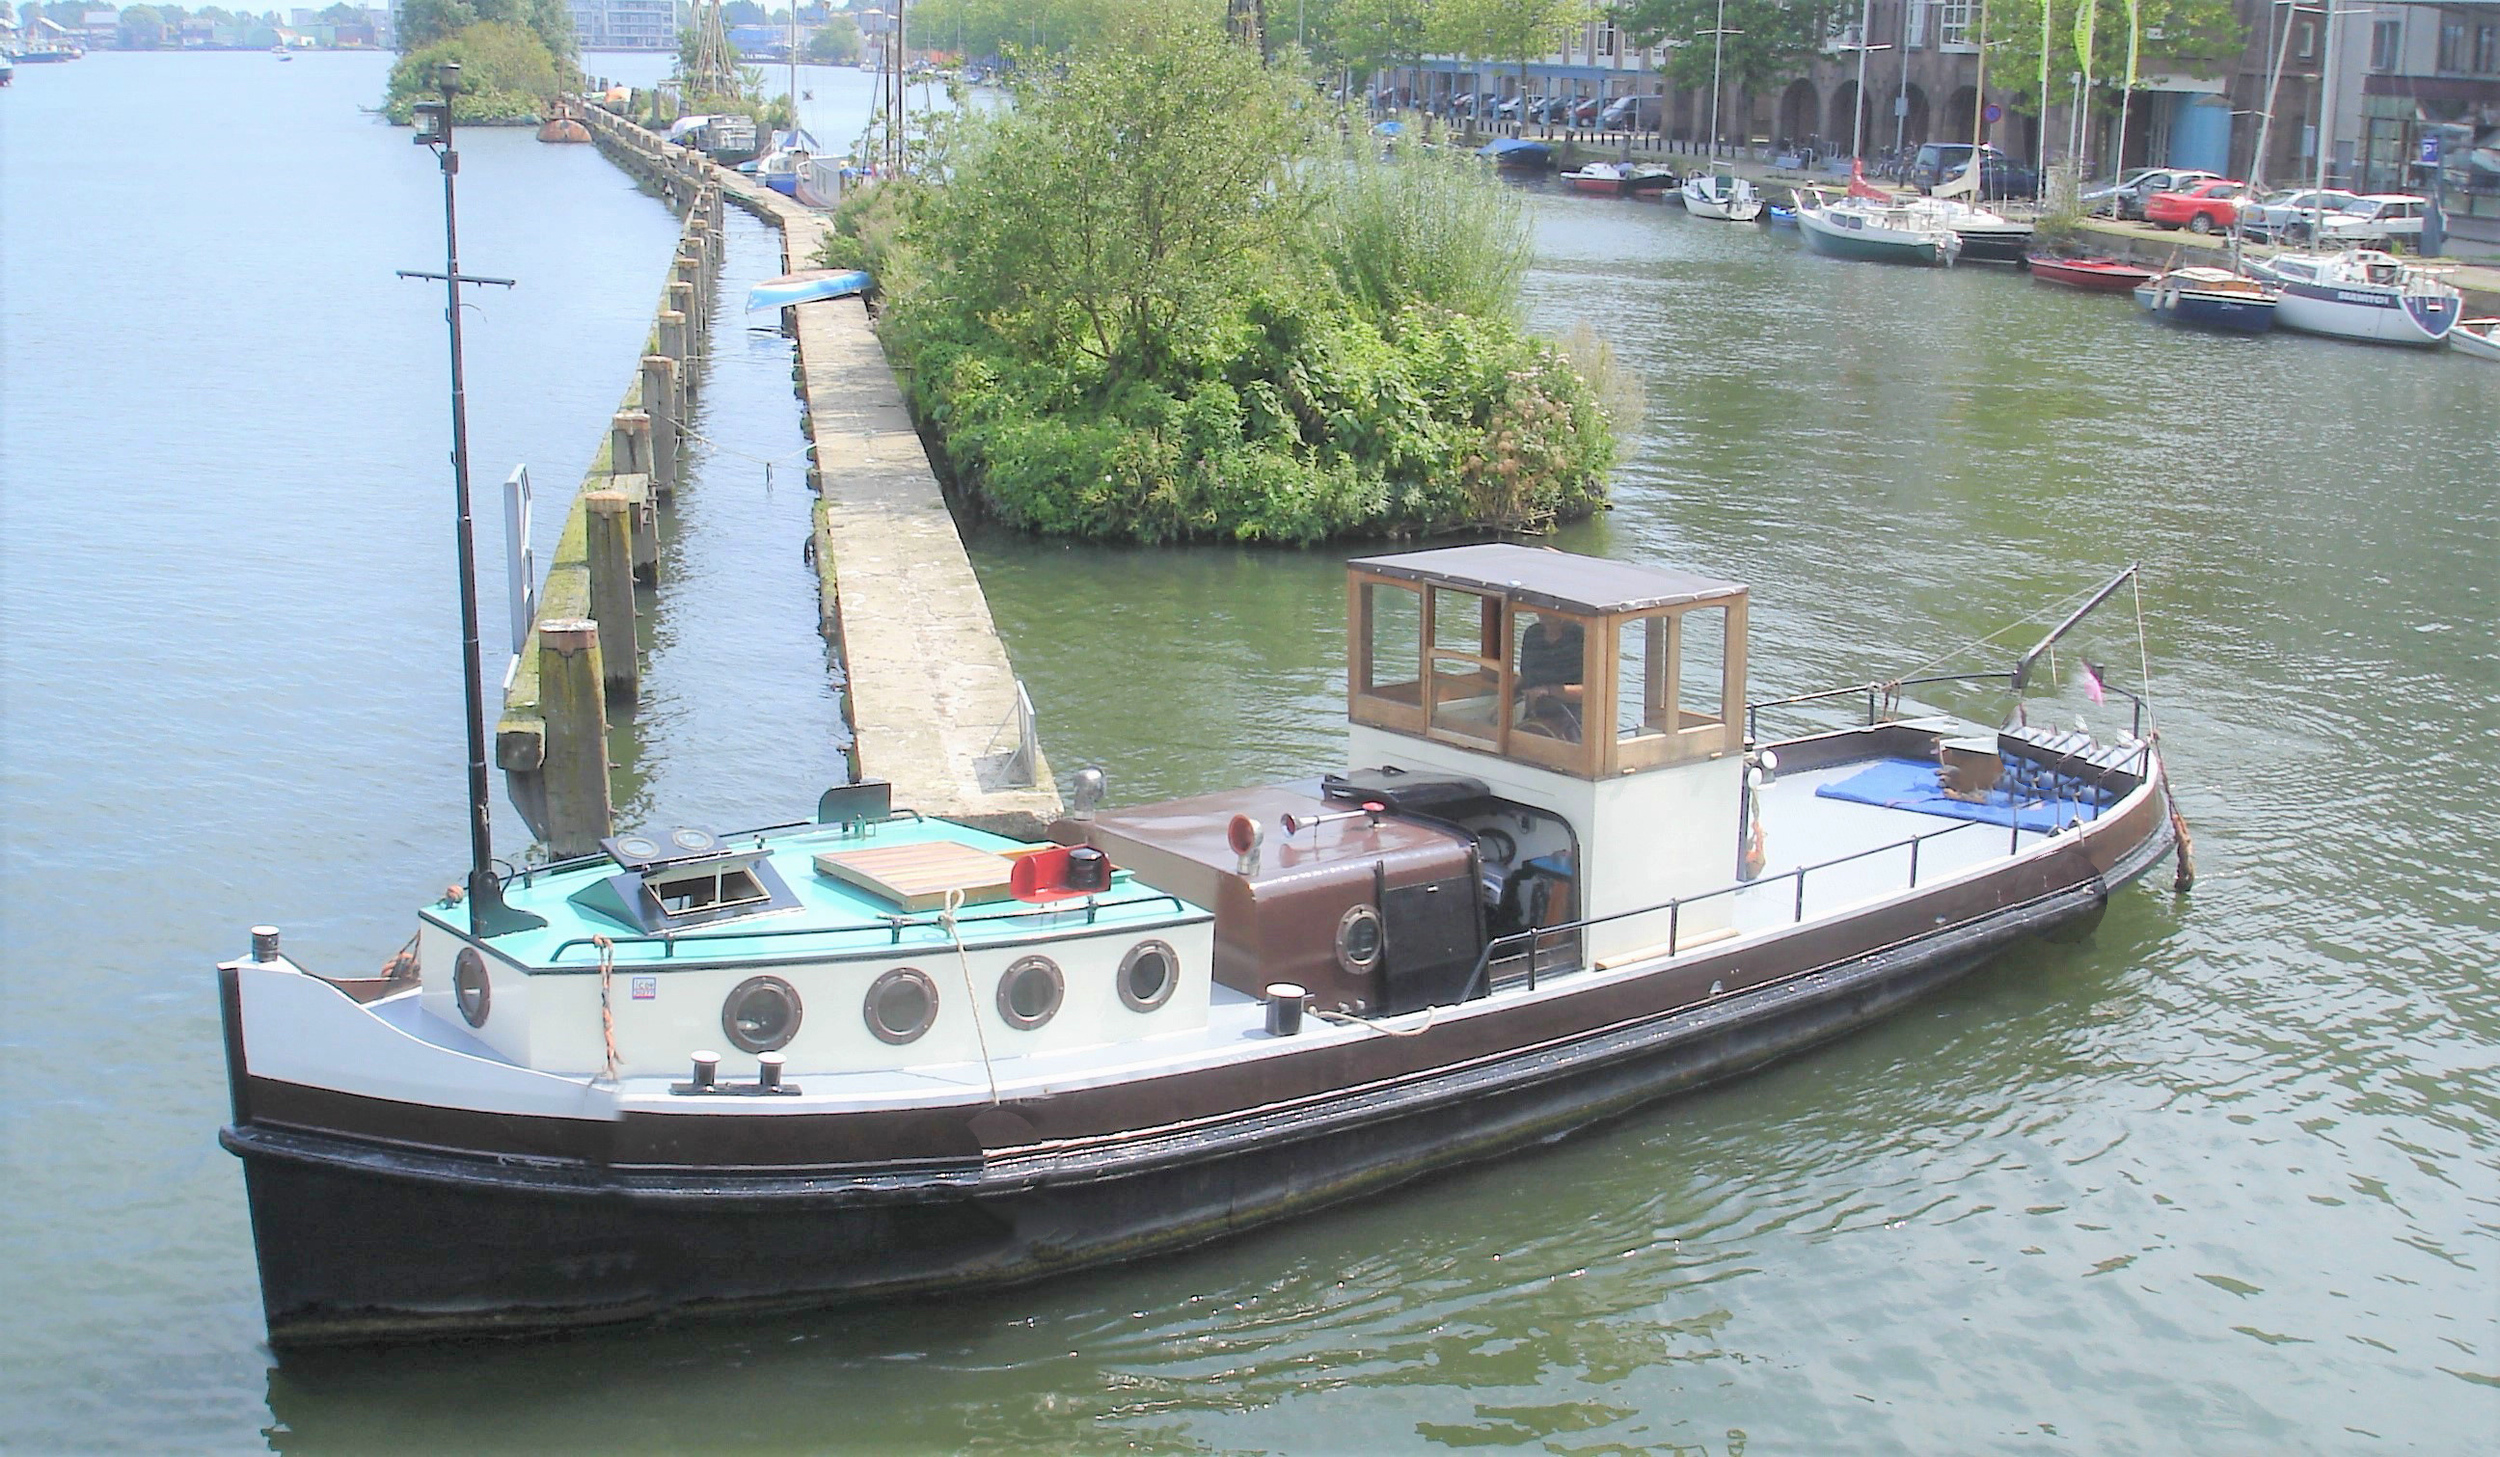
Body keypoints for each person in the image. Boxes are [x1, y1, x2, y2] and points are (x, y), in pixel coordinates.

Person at [1515, 613, 1585, 741]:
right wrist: (1504, 701)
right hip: (1533, 714)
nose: (1545, 612)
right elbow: (1526, 676)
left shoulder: (1582, 637)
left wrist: (1548, 691)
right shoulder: (1532, 634)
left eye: (1553, 607)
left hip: (1573, 720)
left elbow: (1592, 693)